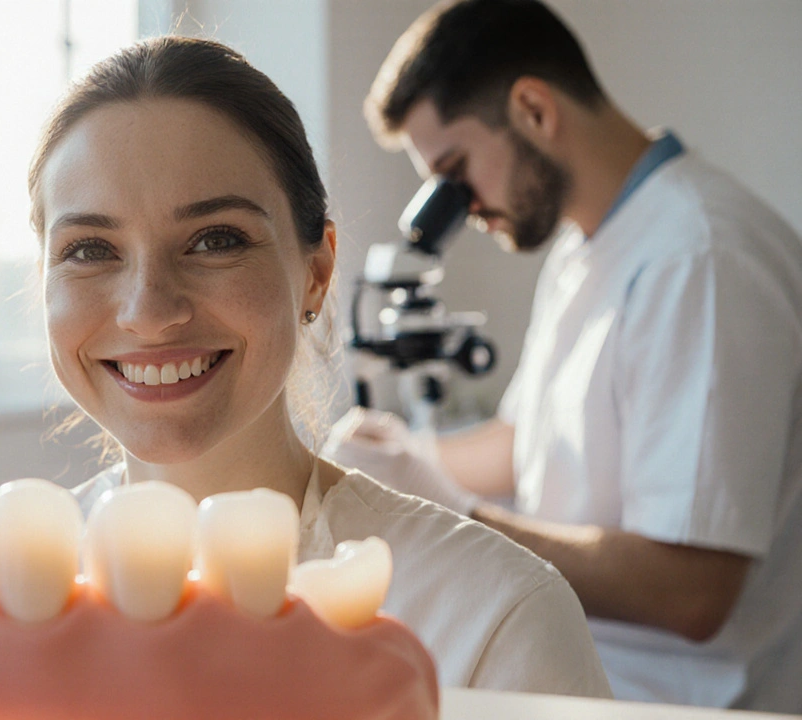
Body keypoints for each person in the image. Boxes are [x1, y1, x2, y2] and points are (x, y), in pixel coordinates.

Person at [0, 35, 610, 697]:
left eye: (215, 240)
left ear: (317, 272)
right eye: (91, 249)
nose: (149, 311)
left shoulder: (489, 615)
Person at [335, 0, 802, 711]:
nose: (461, 209)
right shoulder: (587, 247)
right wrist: (396, 463)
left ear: (533, 109)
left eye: (456, 173)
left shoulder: (699, 257)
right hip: (583, 673)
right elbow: (526, 443)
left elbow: (691, 592)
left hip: (679, 702)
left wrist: (451, 512)